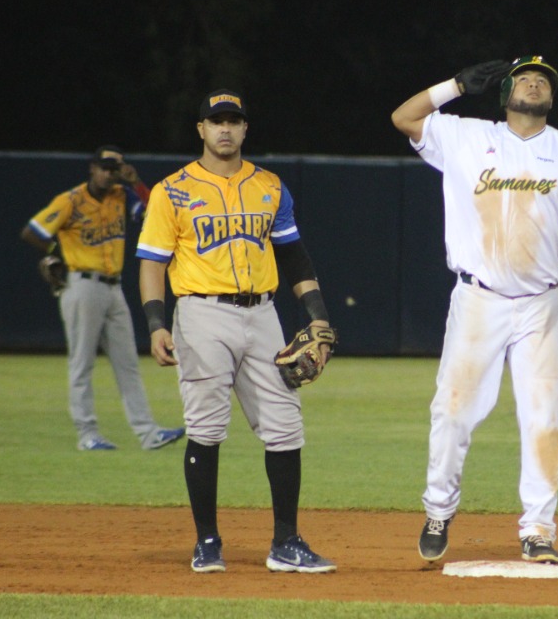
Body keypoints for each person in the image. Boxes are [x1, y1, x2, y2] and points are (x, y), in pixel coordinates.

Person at [391, 56, 558, 565]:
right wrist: (452, 85)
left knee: (544, 418)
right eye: (525, 77)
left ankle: (538, 529)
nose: (535, 83)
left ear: (552, 99)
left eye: (544, 81)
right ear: (505, 91)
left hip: (540, 305)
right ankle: (438, 510)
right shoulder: (466, 135)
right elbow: (403, 118)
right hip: (478, 298)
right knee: (452, 413)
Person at [136, 89, 336, 575]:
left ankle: (286, 542)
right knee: (206, 427)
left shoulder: (270, 186)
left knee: (286, 426)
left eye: (234, 120)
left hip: (263, 313)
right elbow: (152, 263)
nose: (225, 128)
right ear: (201, 130)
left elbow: (293, 255)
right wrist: (156, 323)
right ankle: (207, 542)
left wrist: (317, 314)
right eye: (215, 120)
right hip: (202, 315)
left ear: (245, 129)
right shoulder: (173, 190)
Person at [21, 146, 185, 452]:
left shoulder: (122, 196)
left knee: (129, 364)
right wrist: (57, 253)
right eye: (106, 167)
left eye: (116, 168)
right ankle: (87, 434)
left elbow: (155, 213)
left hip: (114, 288)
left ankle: (148, 433)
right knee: (82, 364)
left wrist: (135, 183)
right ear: (93, 169)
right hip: (82, 286)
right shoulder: (71, 200)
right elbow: (33, 231)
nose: (111, 173)